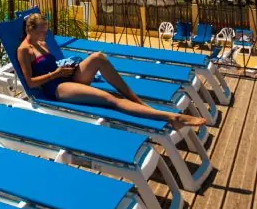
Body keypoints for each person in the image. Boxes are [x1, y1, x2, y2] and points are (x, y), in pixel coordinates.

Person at [17, 12, 206, 130]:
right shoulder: (24, 50)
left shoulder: (41, 42)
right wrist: (56, 74)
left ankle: (137, 101)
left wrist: (66, 68)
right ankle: (173, 118)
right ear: (30, 30)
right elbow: (31, 82)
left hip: (65, 75)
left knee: (99, 57)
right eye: (42, 31)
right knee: (110, 99)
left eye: (46, 31)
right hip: (56, 88)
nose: (46, 35)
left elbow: (52, 63)